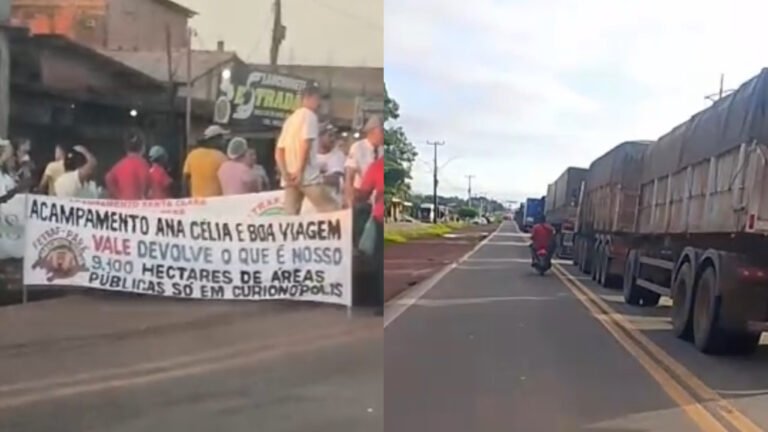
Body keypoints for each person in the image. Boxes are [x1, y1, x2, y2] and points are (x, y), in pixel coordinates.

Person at [275, 84, 338, 214]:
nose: (319, 103)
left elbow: (279, 151)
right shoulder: (309, 116)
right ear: (309, 98)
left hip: (289, 177)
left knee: (290, 216)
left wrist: (285, 173)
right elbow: (306, 144)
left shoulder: (290, 120)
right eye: (317, 99)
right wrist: (300, 171)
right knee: (332, 209)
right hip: (307, 175)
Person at [356, 153, 384, 316]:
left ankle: (379, 302)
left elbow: (364, 193)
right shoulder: (377, 166)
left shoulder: (376, 166)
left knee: (378, 260)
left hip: (380, 217)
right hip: (379, 217)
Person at [344, 116, 383, 208]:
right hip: (362, 197)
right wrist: (349, 201)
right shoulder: (358, 147)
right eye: (381, 132)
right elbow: (349, 176)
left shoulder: (382, 149)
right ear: (372, 132)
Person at [183, 125, 228, 198]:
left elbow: (185, 179)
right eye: (221, 138)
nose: (224, 141)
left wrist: (187, 199)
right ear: (214, 139)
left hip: (197, 201)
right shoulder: (221, 157)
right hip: (216, 202)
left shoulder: (192, 154)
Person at [105, 131, 150, 200]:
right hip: (138, 207)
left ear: (126, 148)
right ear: (143, 147)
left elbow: (108, 178)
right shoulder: (144, 165)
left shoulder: (118, 166)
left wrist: (118, 197)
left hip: (123, 207)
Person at [318, 124, 346, 201]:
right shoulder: (309, 154)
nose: (333, 139)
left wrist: (312, 178)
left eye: (334, 136)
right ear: (320, 137)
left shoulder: (338, 154)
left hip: (332, 200)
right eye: (330, 136)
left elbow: (336, 178)